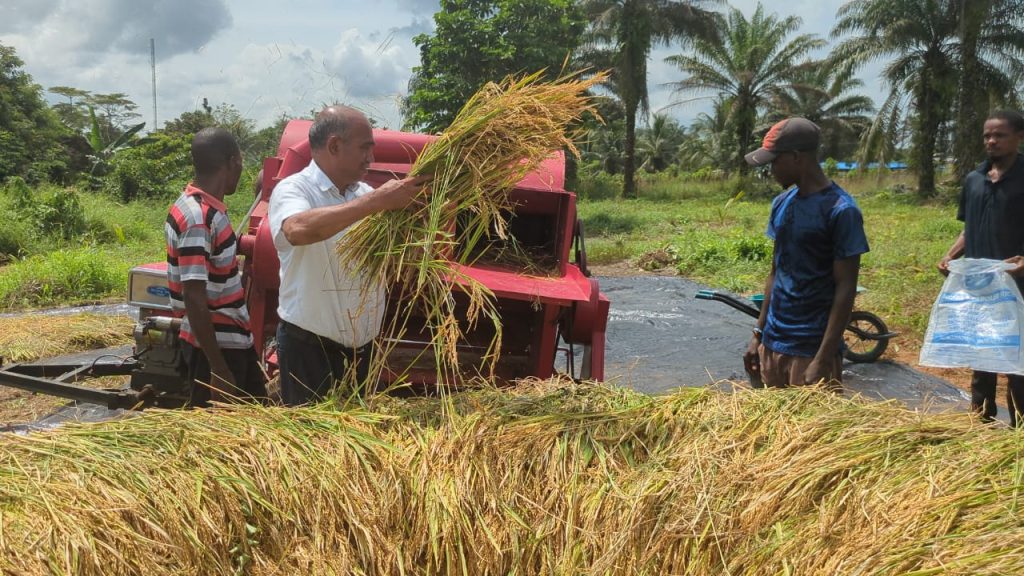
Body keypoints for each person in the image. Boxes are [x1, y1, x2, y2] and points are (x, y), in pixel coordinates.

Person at [268, 105, 428, 406]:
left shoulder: (362, 193)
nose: (371, 158)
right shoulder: (294, 189)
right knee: (311, 442)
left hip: (363, 352)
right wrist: (376, 201)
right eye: (364, 148)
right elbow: (297, 229)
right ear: (334, 146)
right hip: (309, 350)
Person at [742, 117, 870, 388]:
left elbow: (846, 287)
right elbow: (776, 272)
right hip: (773, 344)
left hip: (810, 350)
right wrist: (758, 334)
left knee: (809, 430)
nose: (771, 170)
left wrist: (823, 358)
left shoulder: (841, 211)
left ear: (796, 157)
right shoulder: (781, 204)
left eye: (775, 161)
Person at [165, 127, 267, 406]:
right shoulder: (199, 218)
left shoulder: (202, 209)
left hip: (232, 343)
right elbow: (193, 295)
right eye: (241, 164)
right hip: (215, 349)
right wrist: (219, 369)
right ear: (233, 162)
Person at [938, 109, 1024, 426]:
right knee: (981, 357)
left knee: (1017, 362)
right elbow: (968, 229)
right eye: (988, 135)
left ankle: (1019, 434)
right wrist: (950, 256)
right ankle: (980, 423)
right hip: (980, 287)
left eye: (1000, 135)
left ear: (1019, 137)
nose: (992, 140)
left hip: (1017, 288)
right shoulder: (974, 180)